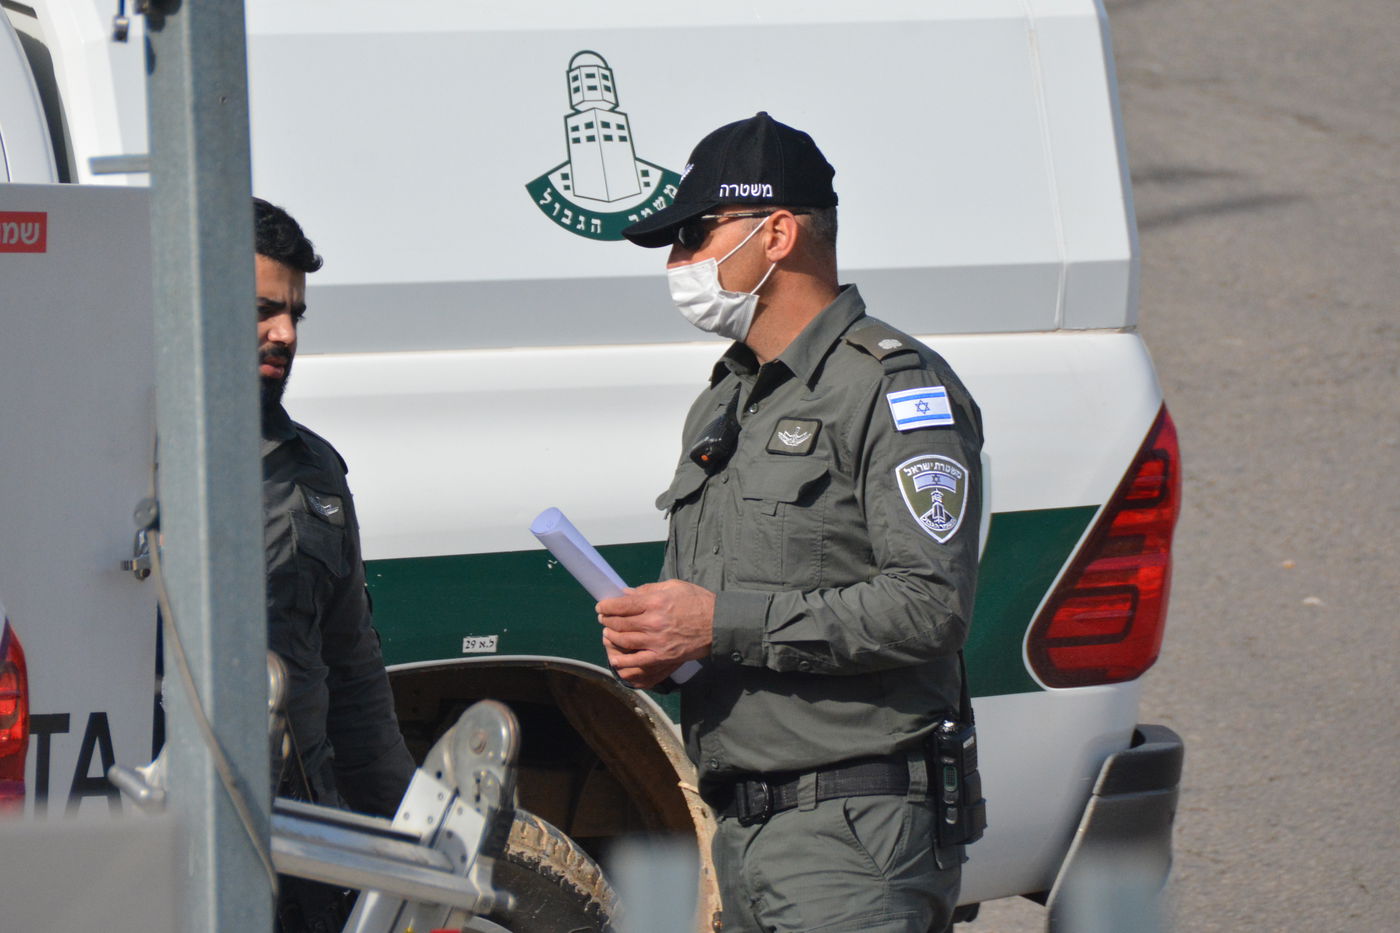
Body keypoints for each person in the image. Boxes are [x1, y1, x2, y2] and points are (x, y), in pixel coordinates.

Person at [598, 113, 984, 933]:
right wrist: (668, 645)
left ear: (775, 234)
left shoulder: (892, 388)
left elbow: (927, 606)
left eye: (695, 236)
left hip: (852, 834)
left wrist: (717, 623)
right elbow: (734, 615)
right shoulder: (727, 396)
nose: (678, 265)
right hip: (744, 827)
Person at [255, 198, 417, 931]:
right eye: (261, 310)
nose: (284, 334)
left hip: (308, 851)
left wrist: (410, 835)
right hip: (175, 841)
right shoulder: (128, 459)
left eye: (294, 314)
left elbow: (353, 672)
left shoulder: (314, 471)